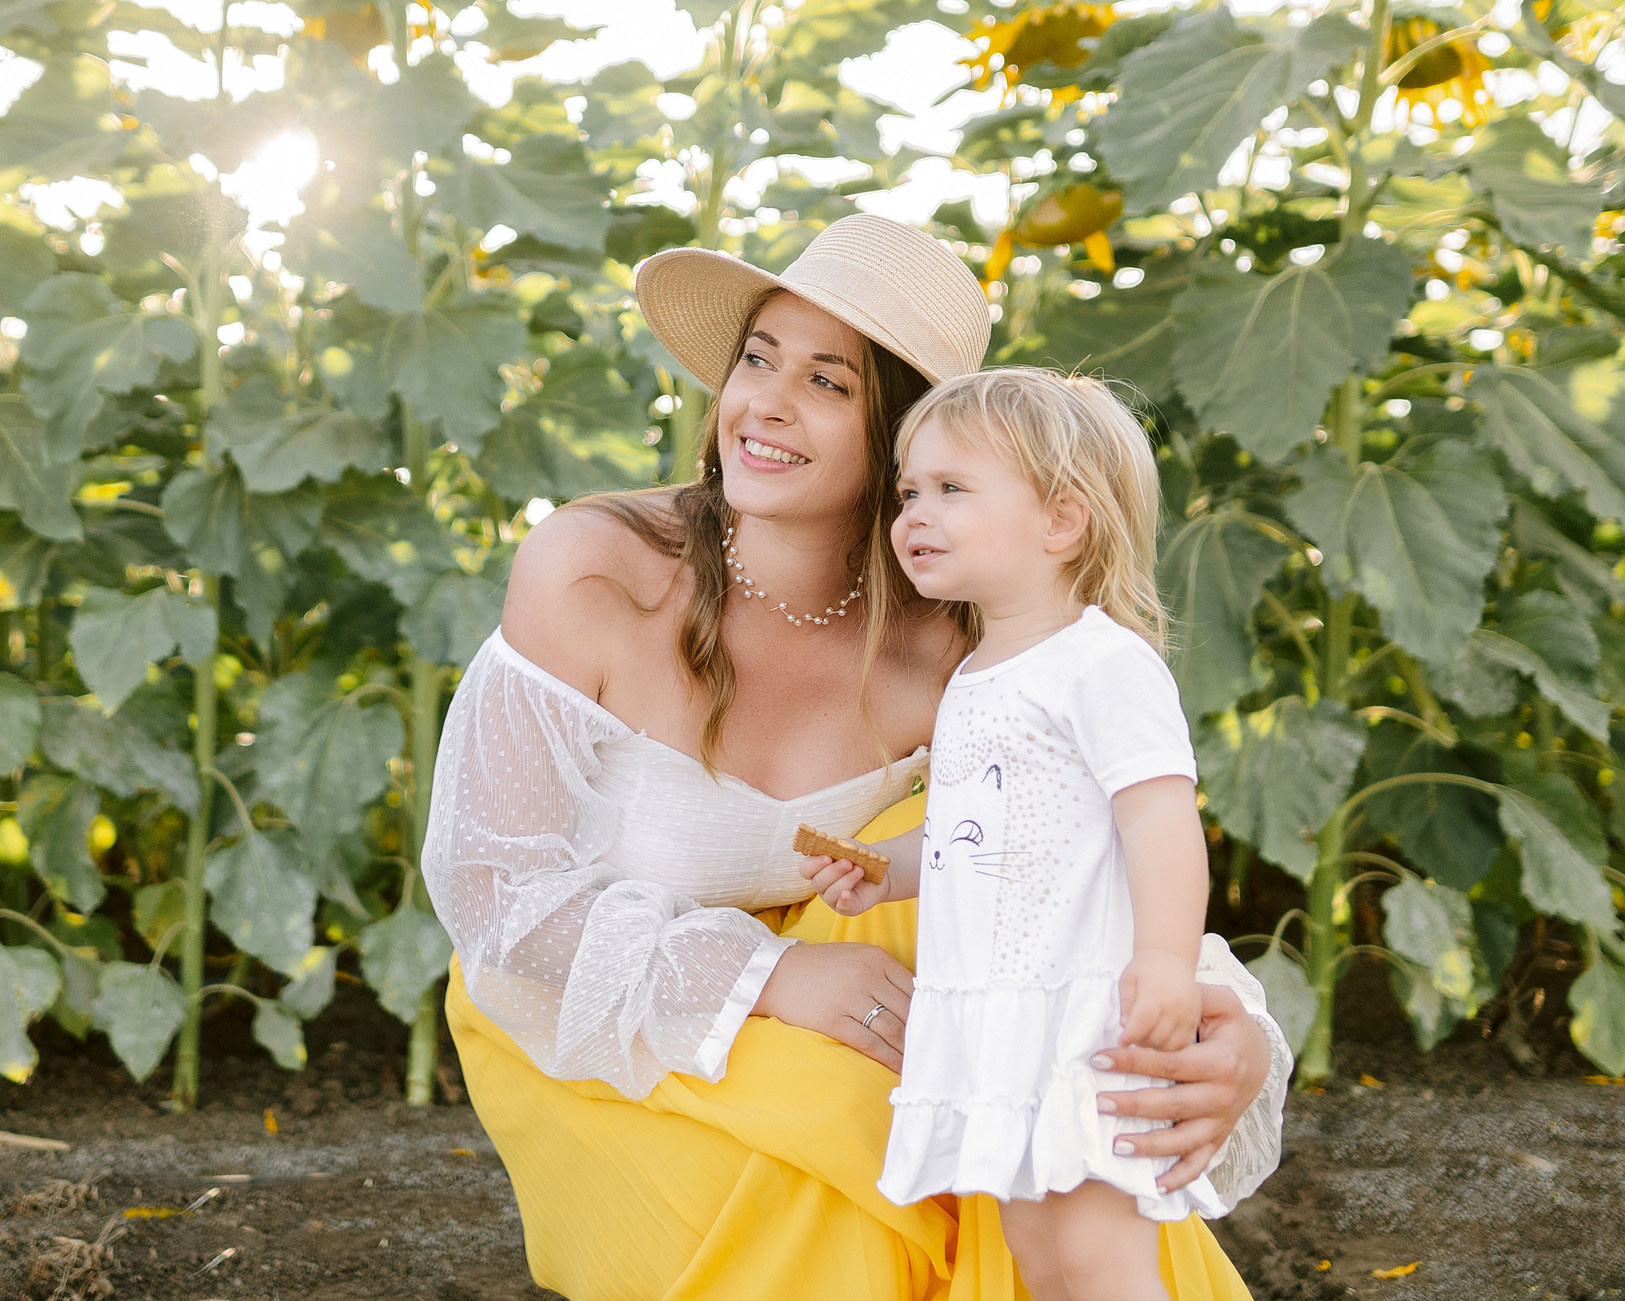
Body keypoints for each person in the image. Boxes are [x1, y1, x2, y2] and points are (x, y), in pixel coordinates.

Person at [422, 215, 1290, 1301]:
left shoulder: (960, 639)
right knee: (872, 1137)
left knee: (1039, 1110)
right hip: (598, 1004)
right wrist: (771, 973)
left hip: (846, 957)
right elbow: (490, 889)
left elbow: (1078, 861)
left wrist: (1225, 1028)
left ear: (906, 441)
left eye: (828, 382)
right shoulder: (599, 571)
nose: (765, 404)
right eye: (757, 359)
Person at [803, 368, 1218, 1301]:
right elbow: (970, 836)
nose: (915, 511)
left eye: (953, 489)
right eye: (910, 491)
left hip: (1081, 1015)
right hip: (997, 1015)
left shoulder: (1100, 661)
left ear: (1062, 522)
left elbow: (1160, 814)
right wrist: (887, 872)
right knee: (1038, 1249)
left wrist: (1165, 958)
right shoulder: (979, 673)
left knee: (1103, 1253)